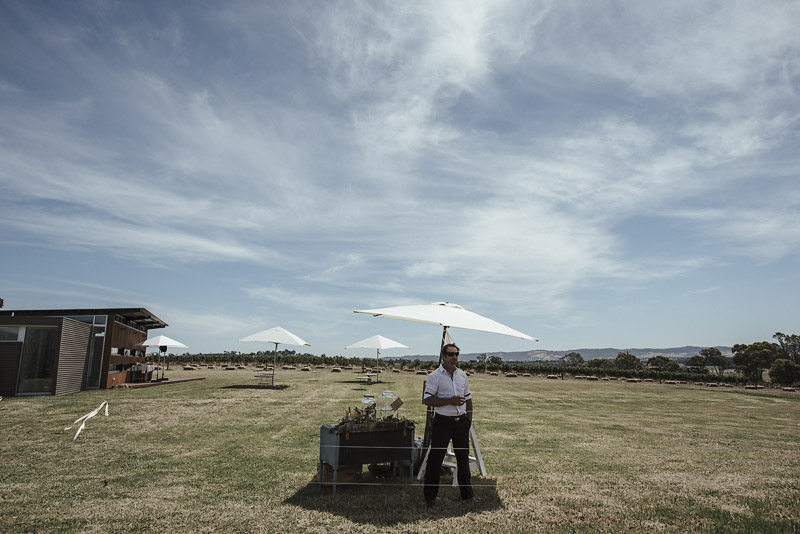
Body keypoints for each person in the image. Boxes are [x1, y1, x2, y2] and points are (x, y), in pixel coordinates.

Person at [422, 342, 477, 507]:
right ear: (443, 356)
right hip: (443, 422)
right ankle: (430, 498)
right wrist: (449, 401)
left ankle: (467, 495)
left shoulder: (462, 375)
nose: (454, 357)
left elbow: (468, 397)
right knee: (435, 459)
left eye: (457, 354)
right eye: (451, 354)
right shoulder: (435, 376)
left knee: (463, 459)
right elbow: (427, 399)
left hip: (461, 423)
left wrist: (468, 419)